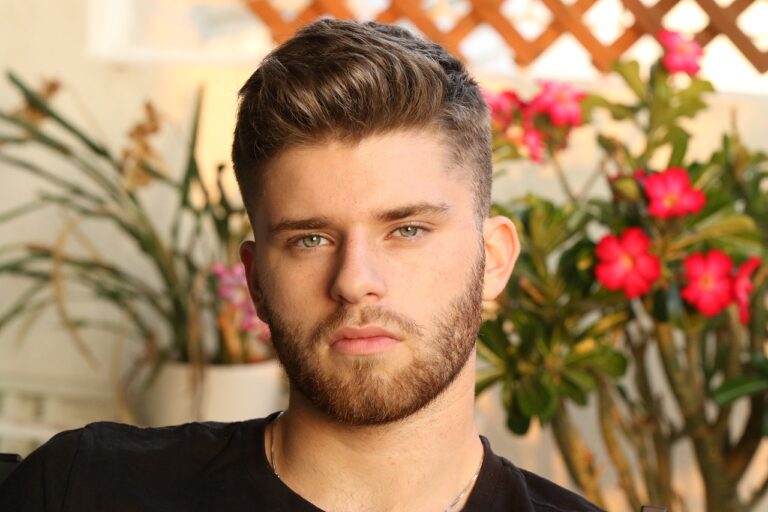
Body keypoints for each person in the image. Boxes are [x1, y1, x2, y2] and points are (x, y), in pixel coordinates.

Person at [0, 19, 603, 511]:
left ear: (493, 259)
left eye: (408, 230)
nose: (354, 281)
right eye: (310, 239)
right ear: (256, 279)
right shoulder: (84, 489)